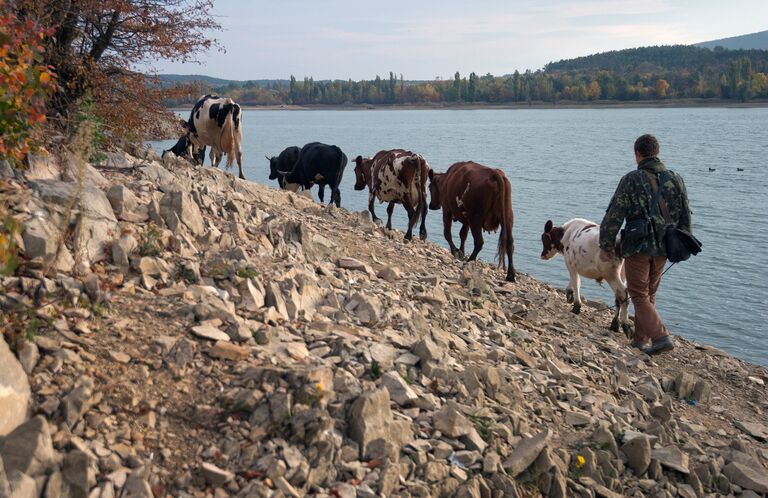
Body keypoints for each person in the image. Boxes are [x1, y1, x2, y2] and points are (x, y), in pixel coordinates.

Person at [599, 134, 692, 356]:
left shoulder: (632, 179)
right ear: (657, 152)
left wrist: (606, 244)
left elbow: (615, 213)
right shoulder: (676, 179)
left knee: (639, 293)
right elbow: (685, 215)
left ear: (638, 154)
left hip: (638, 245)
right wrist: (683, 242)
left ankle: (660, 337)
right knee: (649, 293)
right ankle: (640, 341)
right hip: (663, 246)